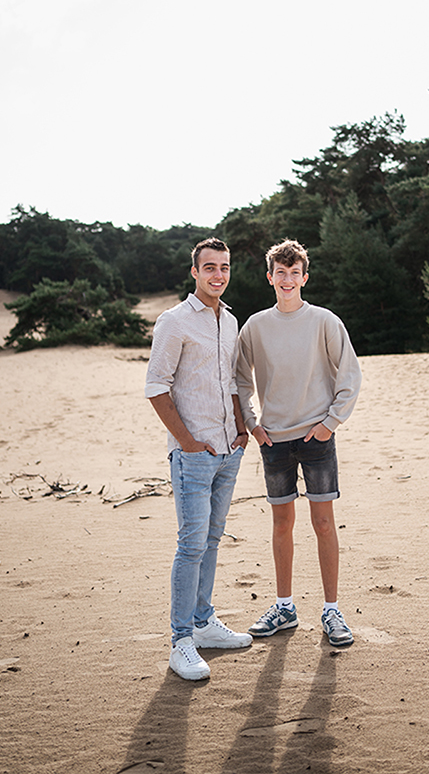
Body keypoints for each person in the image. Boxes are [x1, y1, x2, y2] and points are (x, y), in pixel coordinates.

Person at [236, 239, 362, 647]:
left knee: (323, 523)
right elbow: (240, 380)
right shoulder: (255, 326)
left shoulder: (324, 321)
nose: (287, 280)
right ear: (269, 277)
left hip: (316, 438)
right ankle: (284, 607)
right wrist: (252, 424)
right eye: (281, 273)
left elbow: (350, 375)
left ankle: (332, 610)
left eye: (295, 273)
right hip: (274, 441)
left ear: (304, 278)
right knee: (281, 524)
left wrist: (330, 423)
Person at [145, 238, 252, 681]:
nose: (218, 275)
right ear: (195, 272)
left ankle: (204, 622)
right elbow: (156, 386)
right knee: (191, 545)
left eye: (224, 267)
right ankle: (181, 641)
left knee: (211, 539)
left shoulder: (230, 320)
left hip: (229, 450)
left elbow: (232, 382)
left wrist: (242, 429)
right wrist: (187, 442)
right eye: (210, 267)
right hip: (194, 455)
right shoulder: (174, 321)